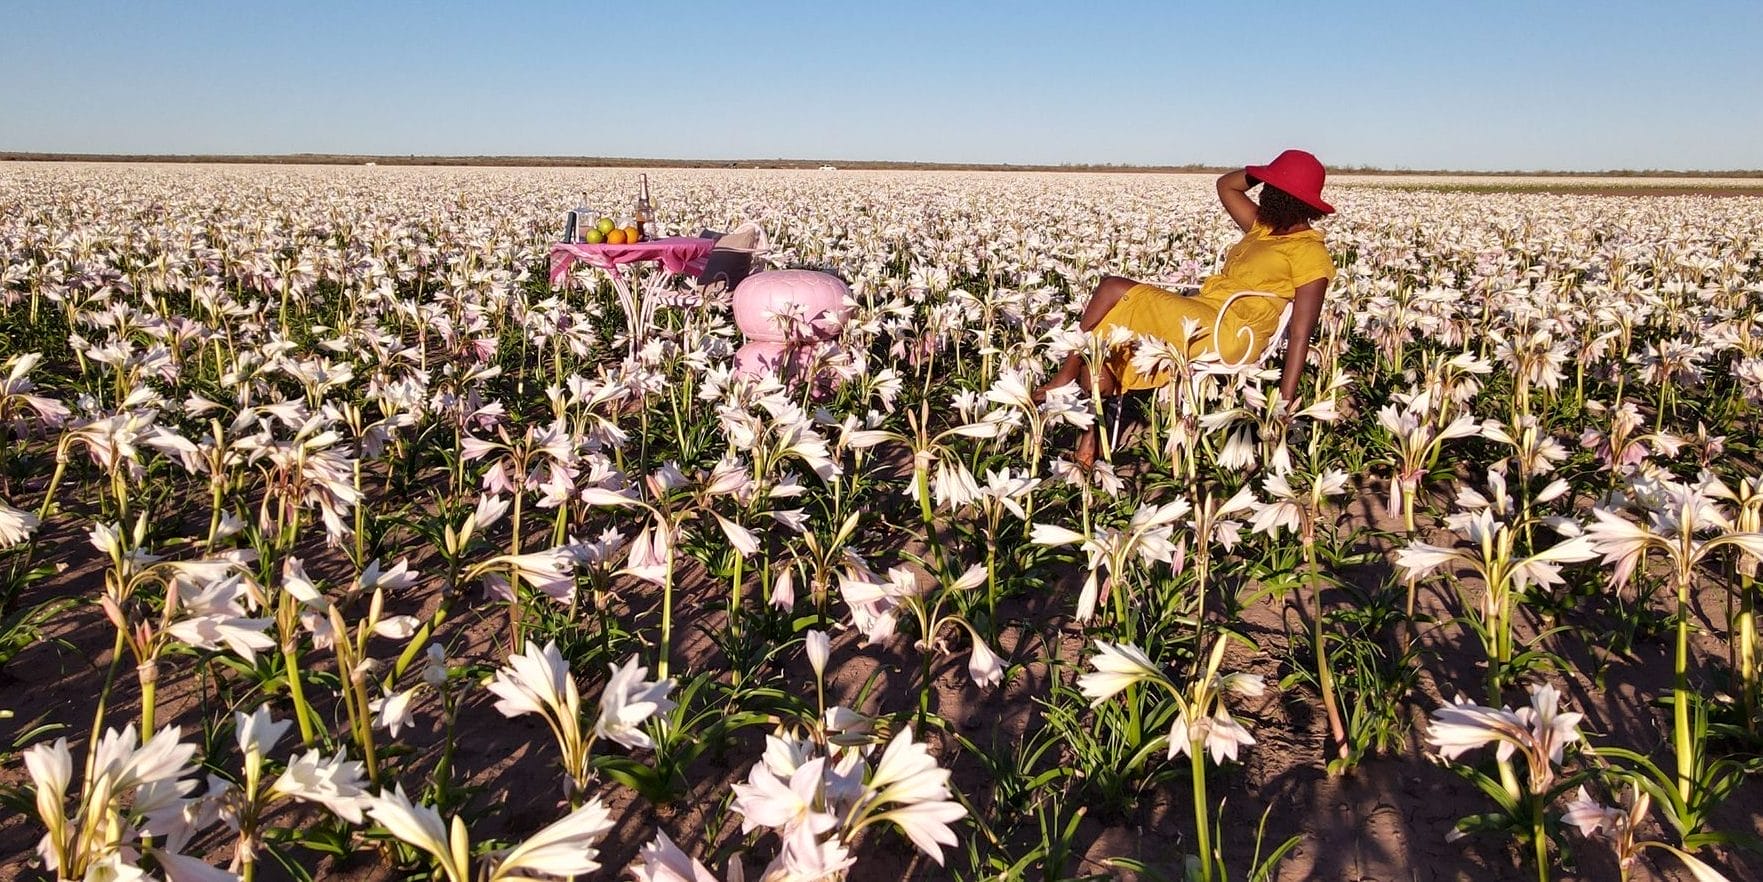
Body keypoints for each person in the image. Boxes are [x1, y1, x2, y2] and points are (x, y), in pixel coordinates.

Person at [1035, 149, 1338, 467]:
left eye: (1271, 189)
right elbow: (1227, 185)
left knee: (1112, 287)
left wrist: (1284, 405)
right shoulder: (1264, 229)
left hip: (1231, 332)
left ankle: (1064, 380)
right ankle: (1088, 442)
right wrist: (1266, 171)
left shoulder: (1311, 253)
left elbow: (1302, 333)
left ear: (1288, 199)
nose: (1264, 193)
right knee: (1106, 332)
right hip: (1206, 312)